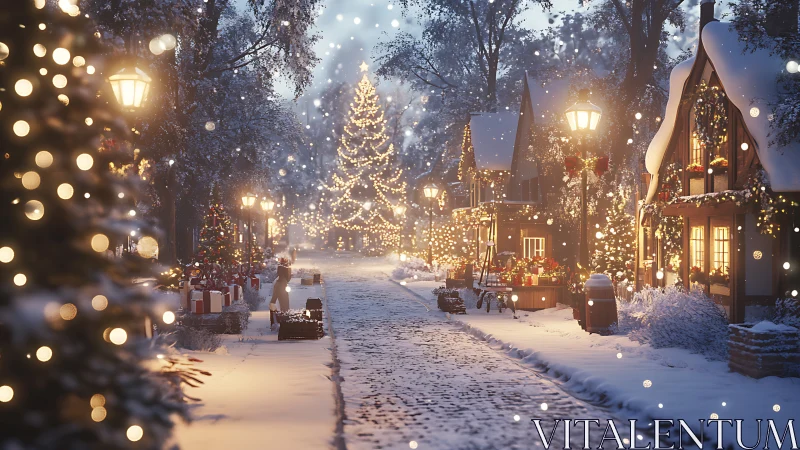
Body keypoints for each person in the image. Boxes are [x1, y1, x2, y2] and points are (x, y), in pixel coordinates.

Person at [270, 258, 291, 326]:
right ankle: (283, 320)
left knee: (277, 304)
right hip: (282, 287)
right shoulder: (282, 281)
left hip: (281, 287)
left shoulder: (279, 282)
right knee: (284, 305)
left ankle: (276, 321)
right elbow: (288, 277)